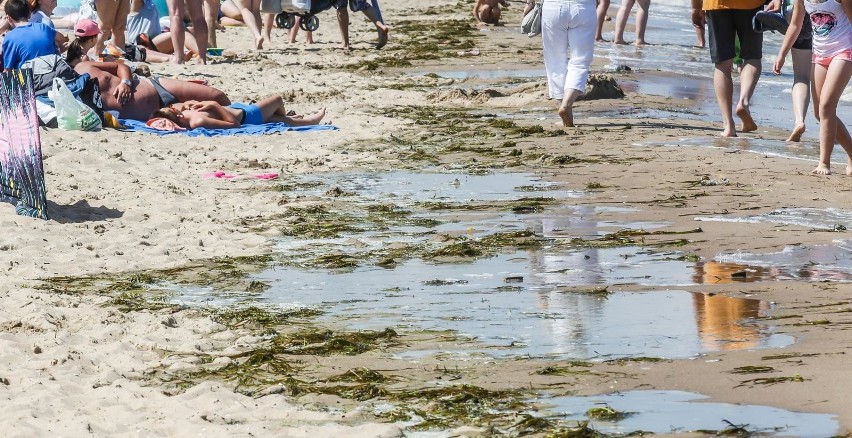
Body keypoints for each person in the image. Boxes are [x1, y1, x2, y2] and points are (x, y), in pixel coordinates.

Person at [774, 0, 852, 175]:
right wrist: (782, 54)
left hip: (844, 51)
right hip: (819, 55)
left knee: (826, 107)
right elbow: (795, 24)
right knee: (819, 113)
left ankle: (824, 163)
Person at [693, 0, 764, 138]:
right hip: (751, 4)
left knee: (722, 64)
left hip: (716, 4)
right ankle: (743, 102)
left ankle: (728, 125)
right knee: (752, 58)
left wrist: (696, 6)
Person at [73, 60, 230, 120]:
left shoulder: (83, 67)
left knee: (216, 95)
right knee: (210, 115)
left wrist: (125, 82)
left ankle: (239, 111)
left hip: (155, 87)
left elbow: (121, 65)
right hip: (160, 114)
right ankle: (239, 116)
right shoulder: (67, 99)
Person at [525, 0, 595, 127]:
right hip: (584, 7)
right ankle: (566, 105)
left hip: (553, 7)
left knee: (555, 61)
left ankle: (564, 110)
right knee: (580, 60)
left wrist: (529, 3)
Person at [766, 0, 812, 142]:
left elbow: (795, 24)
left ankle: (799, 121)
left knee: (801, 76)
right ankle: (829, 123)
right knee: (825, 77)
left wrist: (781, 54)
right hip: (833, 25)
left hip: (797, 13)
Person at [152, 95, 326, 128]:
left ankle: (311, 121)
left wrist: (191, 103)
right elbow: (233, 124)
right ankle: (285, 115)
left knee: (280, 122)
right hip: (247, 116)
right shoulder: (197, 122)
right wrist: (213, 104)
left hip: (240, 110)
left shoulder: (184, 112)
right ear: (177, 116)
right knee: (278, 100)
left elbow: (183, 103)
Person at [2, 0, 57, 70]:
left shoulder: (10, 37)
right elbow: (58, 40)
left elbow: (7, 70)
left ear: (8, 18)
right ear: (29, 14)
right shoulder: (44, 28)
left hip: (29, 78)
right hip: (52, 75)